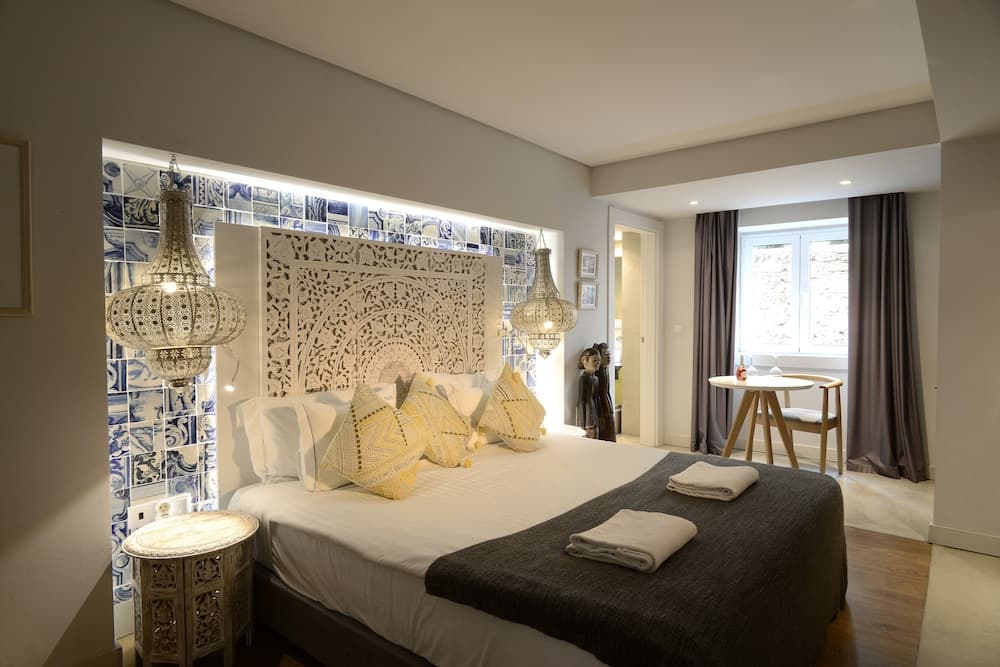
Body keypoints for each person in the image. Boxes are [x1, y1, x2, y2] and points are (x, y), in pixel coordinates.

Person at [593, 342, 617, 442]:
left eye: (609, 354)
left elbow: (607, 392)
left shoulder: (605, 370)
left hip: (608, 407)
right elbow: (597, 395)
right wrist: (601, 414)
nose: (608, 357)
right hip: (602, 409)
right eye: (605, 354)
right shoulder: (597, 374)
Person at [577, 347, 601, 438]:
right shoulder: (583, 379)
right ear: (584, 361)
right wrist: (581, 423)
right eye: (594, 360)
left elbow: (596, 398)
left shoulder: (596, 379)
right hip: (587, 416)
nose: (598, 363)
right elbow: (581, 401)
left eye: (599, 361)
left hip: (594, 413)